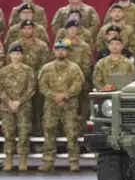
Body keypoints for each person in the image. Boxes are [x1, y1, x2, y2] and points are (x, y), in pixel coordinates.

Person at [38, 41, 85, 172]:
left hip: (69, 106)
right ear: (54, 51)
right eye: (58, 49)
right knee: (49, 133)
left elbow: (78, 84)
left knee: (72, 133)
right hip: (51, 106)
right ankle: (48, 162)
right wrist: (55, 96)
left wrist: (64, 96)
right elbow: (42, 85)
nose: (61, 52)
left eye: (63, 49)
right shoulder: (47, 68)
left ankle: (74, 162)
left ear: (67, 51)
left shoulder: (74, 68)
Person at [0, 45, 36, 172]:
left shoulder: (28, 71)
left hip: (23, 107)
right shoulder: (3, 71)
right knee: (9, 133)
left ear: (22, 55)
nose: (16, 57)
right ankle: (8, 161)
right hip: (6, 107)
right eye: (13, 54)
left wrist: (19, 102)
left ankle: (23, 161)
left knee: (23, 133)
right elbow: (1, 89)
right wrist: (9, 101)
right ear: (9, 55)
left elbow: (31, 89)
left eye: (18, 54)